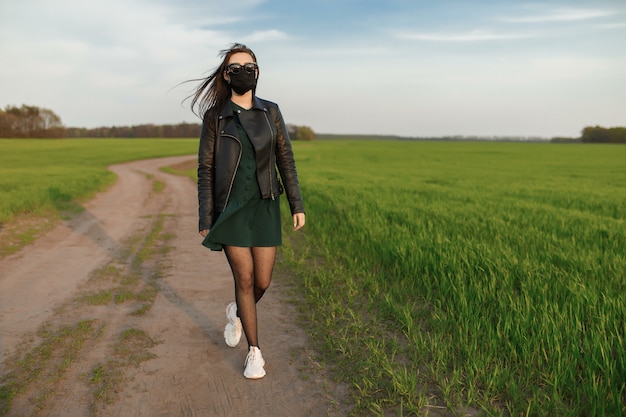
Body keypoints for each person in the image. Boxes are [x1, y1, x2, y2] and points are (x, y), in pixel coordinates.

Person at [189, 43, 306, 379]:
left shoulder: (271, 112)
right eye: (236, 66)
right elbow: (205, 168)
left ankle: (237, 312)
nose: (244, 70)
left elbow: (286, 159)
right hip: (232, 208)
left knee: (263, 281)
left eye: (249, 65)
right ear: (227, 74)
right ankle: (255, 352)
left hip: (265, 203)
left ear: (257, 71)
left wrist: (296, 204)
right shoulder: (216, 117)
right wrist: (205, 215)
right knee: (244, 278)